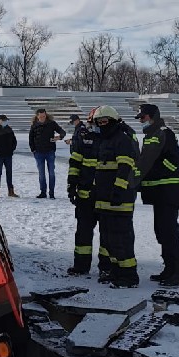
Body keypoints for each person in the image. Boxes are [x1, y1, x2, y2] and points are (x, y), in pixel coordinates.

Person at [135, 103, 179, 286]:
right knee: (161, 232)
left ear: (152, 116)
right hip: (157, 192)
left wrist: (155, 171)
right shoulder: (150, 136)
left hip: (167, 191)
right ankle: (169, 268)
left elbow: (175, 160)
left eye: (143, 117)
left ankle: (178, 272)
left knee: (169, 232)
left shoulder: (165, 133)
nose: (141, 121)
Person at [91, 105, 141, 287]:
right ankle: (115, 271)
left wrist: (119, 190)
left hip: (120, 200)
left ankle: (128, 276)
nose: (101, 125)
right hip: (105, 201)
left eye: (104, 122)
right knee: (109, 239)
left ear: (113, 121)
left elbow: (125, 167)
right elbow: (102, 170)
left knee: (121, 239)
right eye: (99, 122)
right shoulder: (106, 140)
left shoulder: (122, 139)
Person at [66, 108, 108, 277]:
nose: (94, 126)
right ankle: (81, 265)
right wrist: (71, 185)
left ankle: (106, 267)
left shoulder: (114, 138)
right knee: (83, 232)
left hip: (106, 194)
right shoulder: (82, 137)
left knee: (107, 233)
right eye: (92, 122)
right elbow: (75, 162)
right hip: (86, 193)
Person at [28, 108, 66, 198]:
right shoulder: (34, 126)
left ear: (46, 115)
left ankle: (51, 193)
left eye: (44, 116)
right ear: (37, 117)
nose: (42, 118)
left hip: (50, 152)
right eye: (41, 117)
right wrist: (33, 150)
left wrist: (59, 137)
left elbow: (62, 132)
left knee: (51, 173)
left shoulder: (51, 123)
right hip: (38, 153)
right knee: (41, 174)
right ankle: (43, 192)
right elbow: (30, 139)